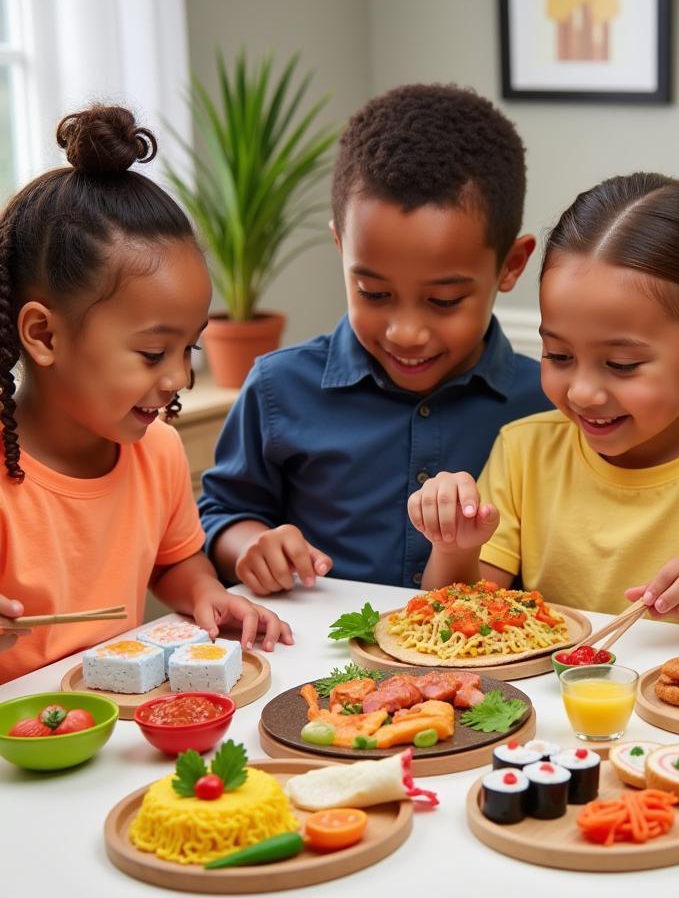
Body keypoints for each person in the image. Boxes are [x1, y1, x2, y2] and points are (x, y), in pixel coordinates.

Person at [408, 172, 679, 636]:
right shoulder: (523, 451)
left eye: (622, 364)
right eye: (559, 356)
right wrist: (454, 547)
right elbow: (455, 621)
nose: (582, 392)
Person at [199, 84, 549, 595]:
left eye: (444, 301)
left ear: (511, 265)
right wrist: (253, 543)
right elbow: (222, 513)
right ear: (340, 245)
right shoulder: (280, 388)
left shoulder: (544, 404)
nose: (405, 332)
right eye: (373, 293)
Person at [0, 106, 290, 684]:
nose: (179, 378)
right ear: (44, 334)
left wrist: (206, 590)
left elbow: (174, 557)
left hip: (119, 729)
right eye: (154, 354)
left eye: (191, 350)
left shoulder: (155, 451)